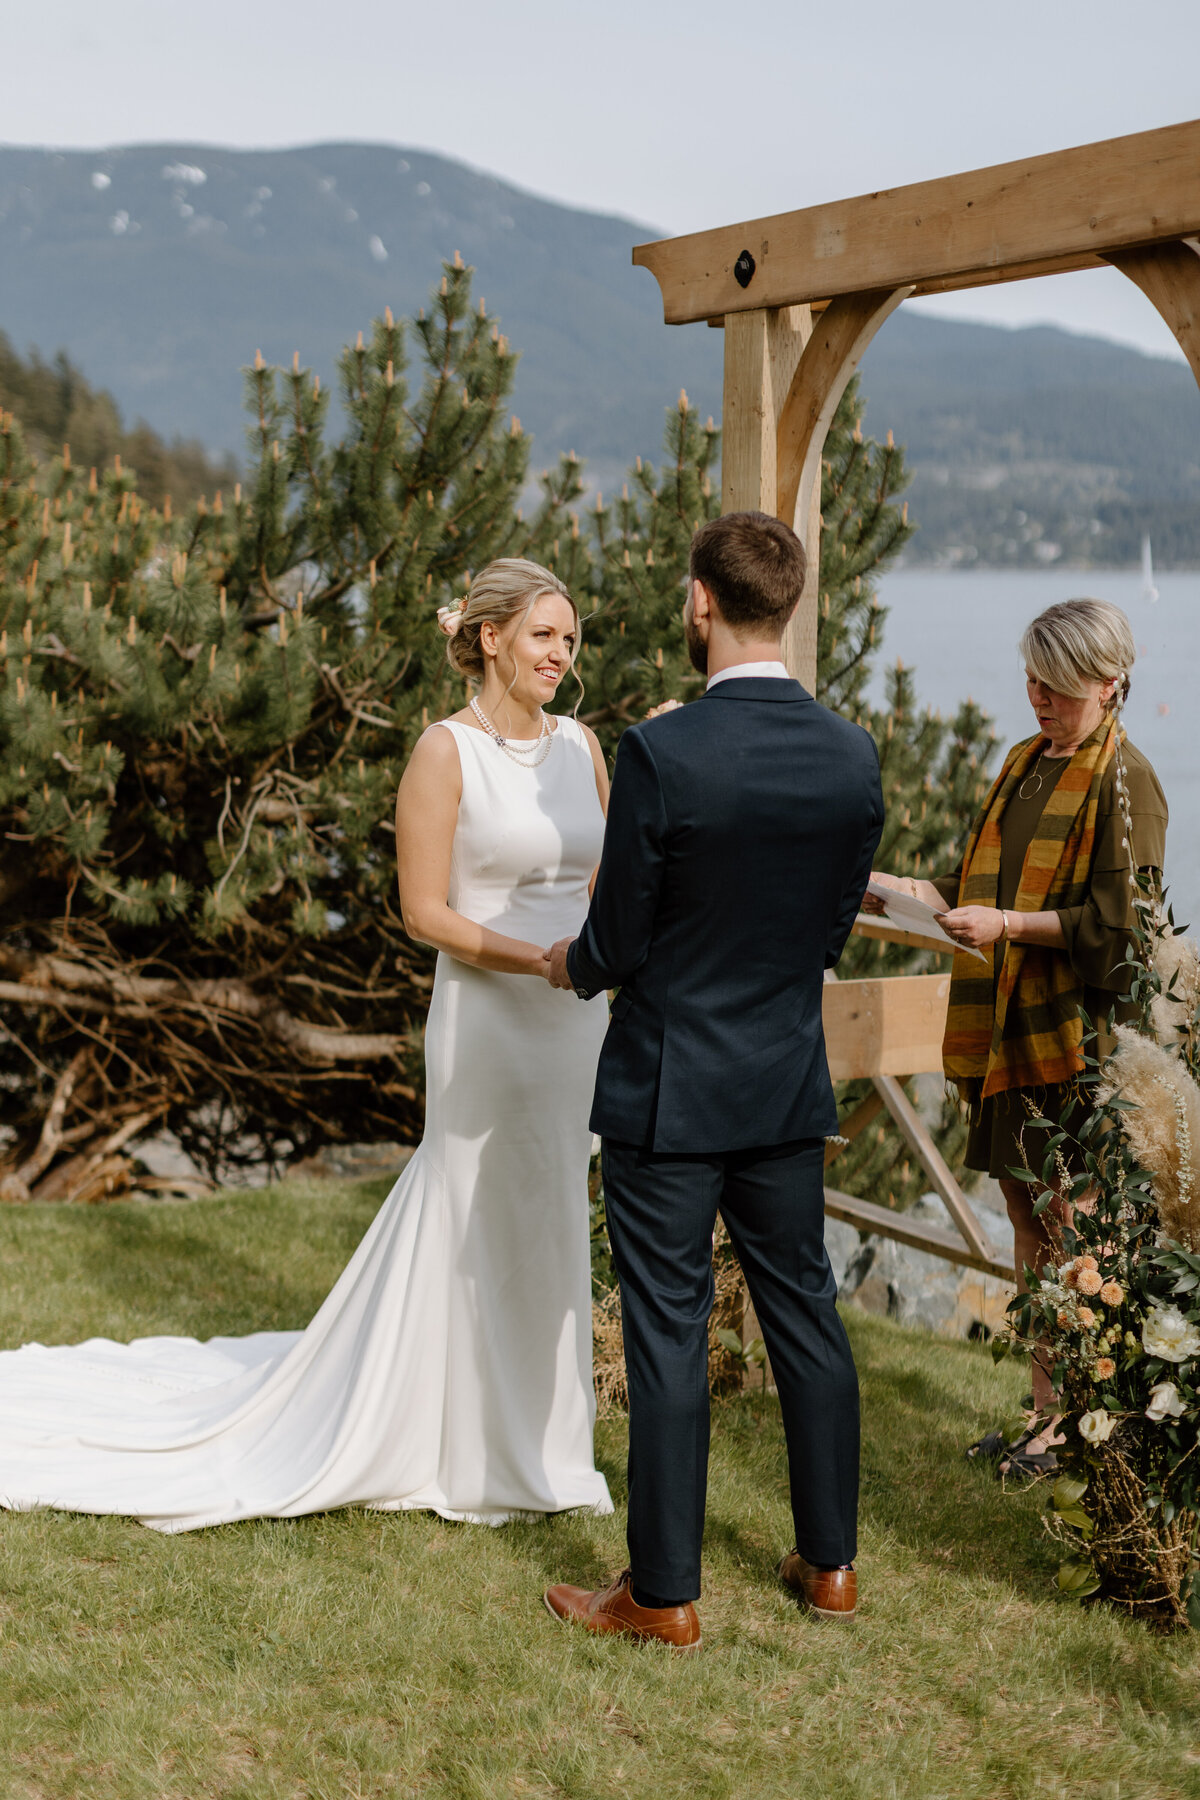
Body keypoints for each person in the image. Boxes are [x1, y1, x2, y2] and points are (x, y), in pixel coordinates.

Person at [0, 558, 614, 1531]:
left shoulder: (583, 747)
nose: (560, 654)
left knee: (548, 1212)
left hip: (578, 1020)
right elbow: (423, 912)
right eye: (544, 634)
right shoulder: (441, 751)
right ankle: (442, 1434)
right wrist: (533, 960)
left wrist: (599, 960)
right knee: (469, 1205)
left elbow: (604, 883)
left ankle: (542, 1443)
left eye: (570, 640)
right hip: (494, 1016)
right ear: (490, 636)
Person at [541, 510, 885, 1649]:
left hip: (668, 1090)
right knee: (808, 1316)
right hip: (785, 1083)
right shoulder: (851, 752)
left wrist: (570, 963)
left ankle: (664, 1594)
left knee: (668, 1330)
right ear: (783, 606)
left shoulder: (662, 750)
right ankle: (831, 1566)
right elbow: (831, 925)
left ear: (700, 600)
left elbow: (620, 940)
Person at [868, 597, 1167, 1480]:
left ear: (1109, 683)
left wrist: (1008, 924)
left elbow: (1124, 932)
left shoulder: (1129, 780)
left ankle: (1082, 1426)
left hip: (1076, 1044)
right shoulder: (1023, 763)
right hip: (1010, 1038)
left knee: (1078, 1235)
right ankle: (1045, 1417)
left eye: (1060, 686)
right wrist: (896, 890)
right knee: (1029, 1224)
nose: (1040, 697)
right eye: (1033, 678)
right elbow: (975, 885)